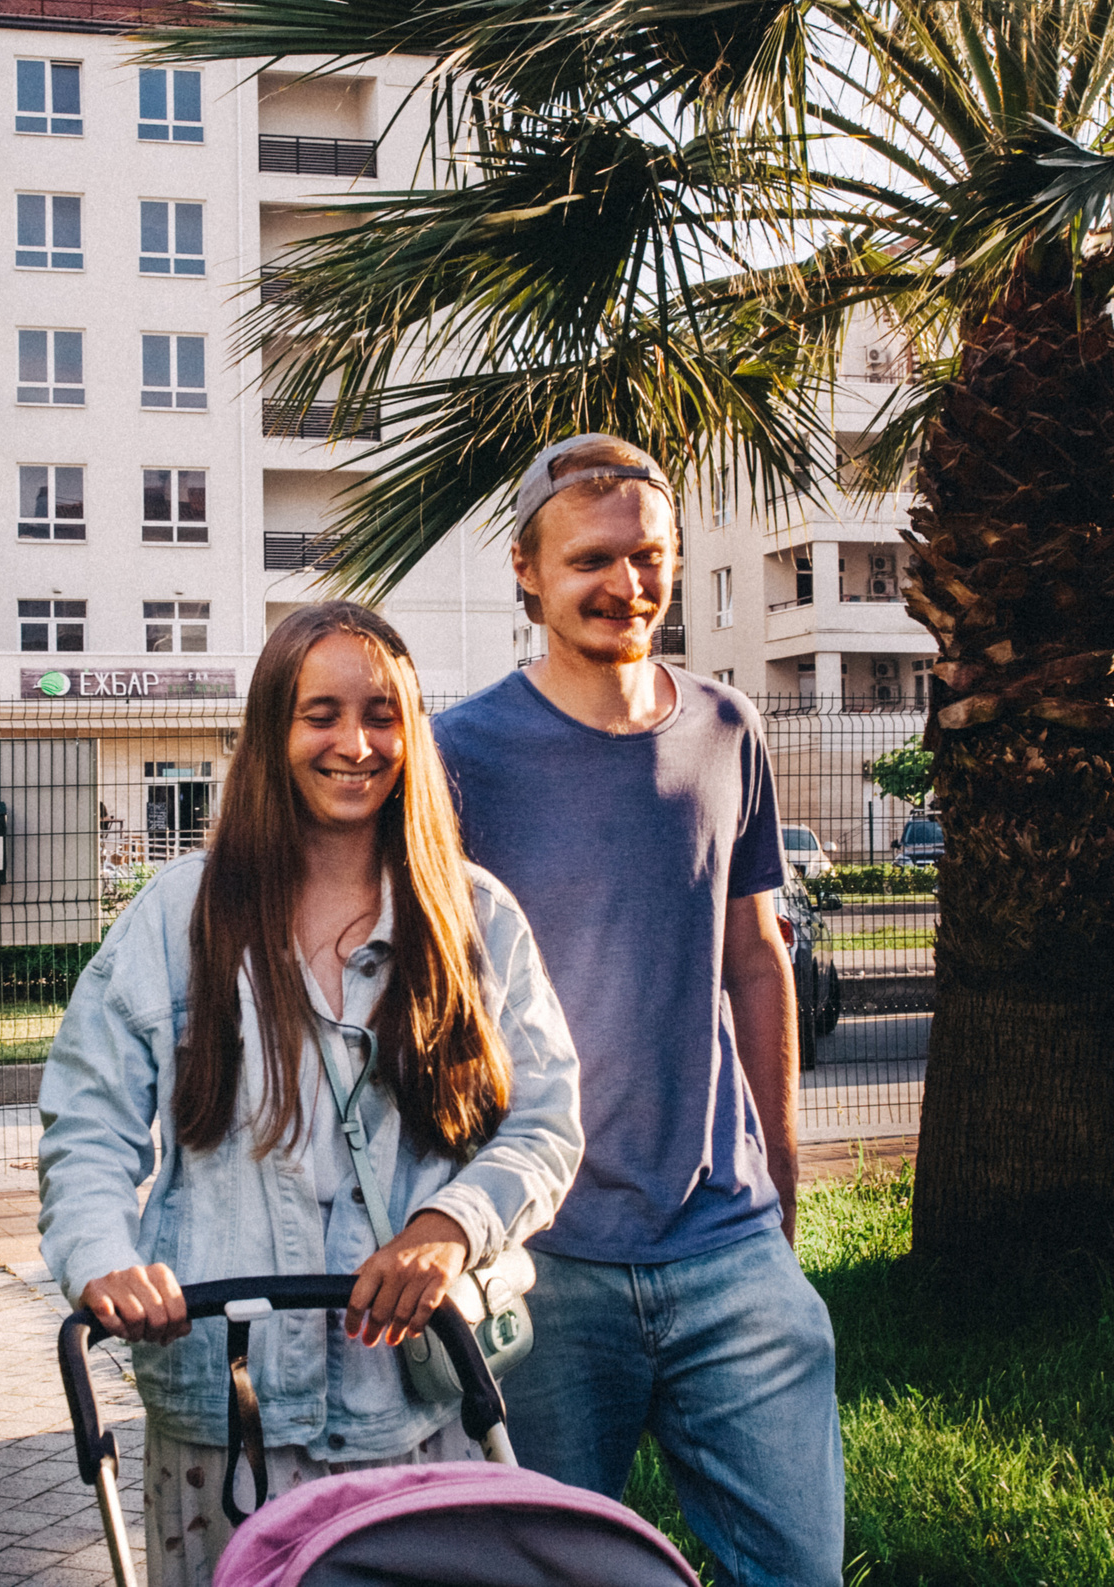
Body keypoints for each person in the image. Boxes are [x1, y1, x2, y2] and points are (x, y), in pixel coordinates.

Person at [38, 601, 582, 1587]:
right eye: (320, 713)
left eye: (382, 714)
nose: (355, 743)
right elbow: (87, 1128)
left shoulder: (473, 919)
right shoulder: (178, 919)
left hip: (415, 1413)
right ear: (270, 732)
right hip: (221, 1413)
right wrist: (102, 1262)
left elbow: (545, 1127)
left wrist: (449, 1227)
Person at [433, 435, 845, 1587]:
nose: (628, 585)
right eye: (593, 561)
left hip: (726, 1245)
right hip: (542, 1260)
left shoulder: (724, 730)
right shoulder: (455, 755)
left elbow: (755, 962)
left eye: (651, 558)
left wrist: (782, 1202)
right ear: (527, 570)